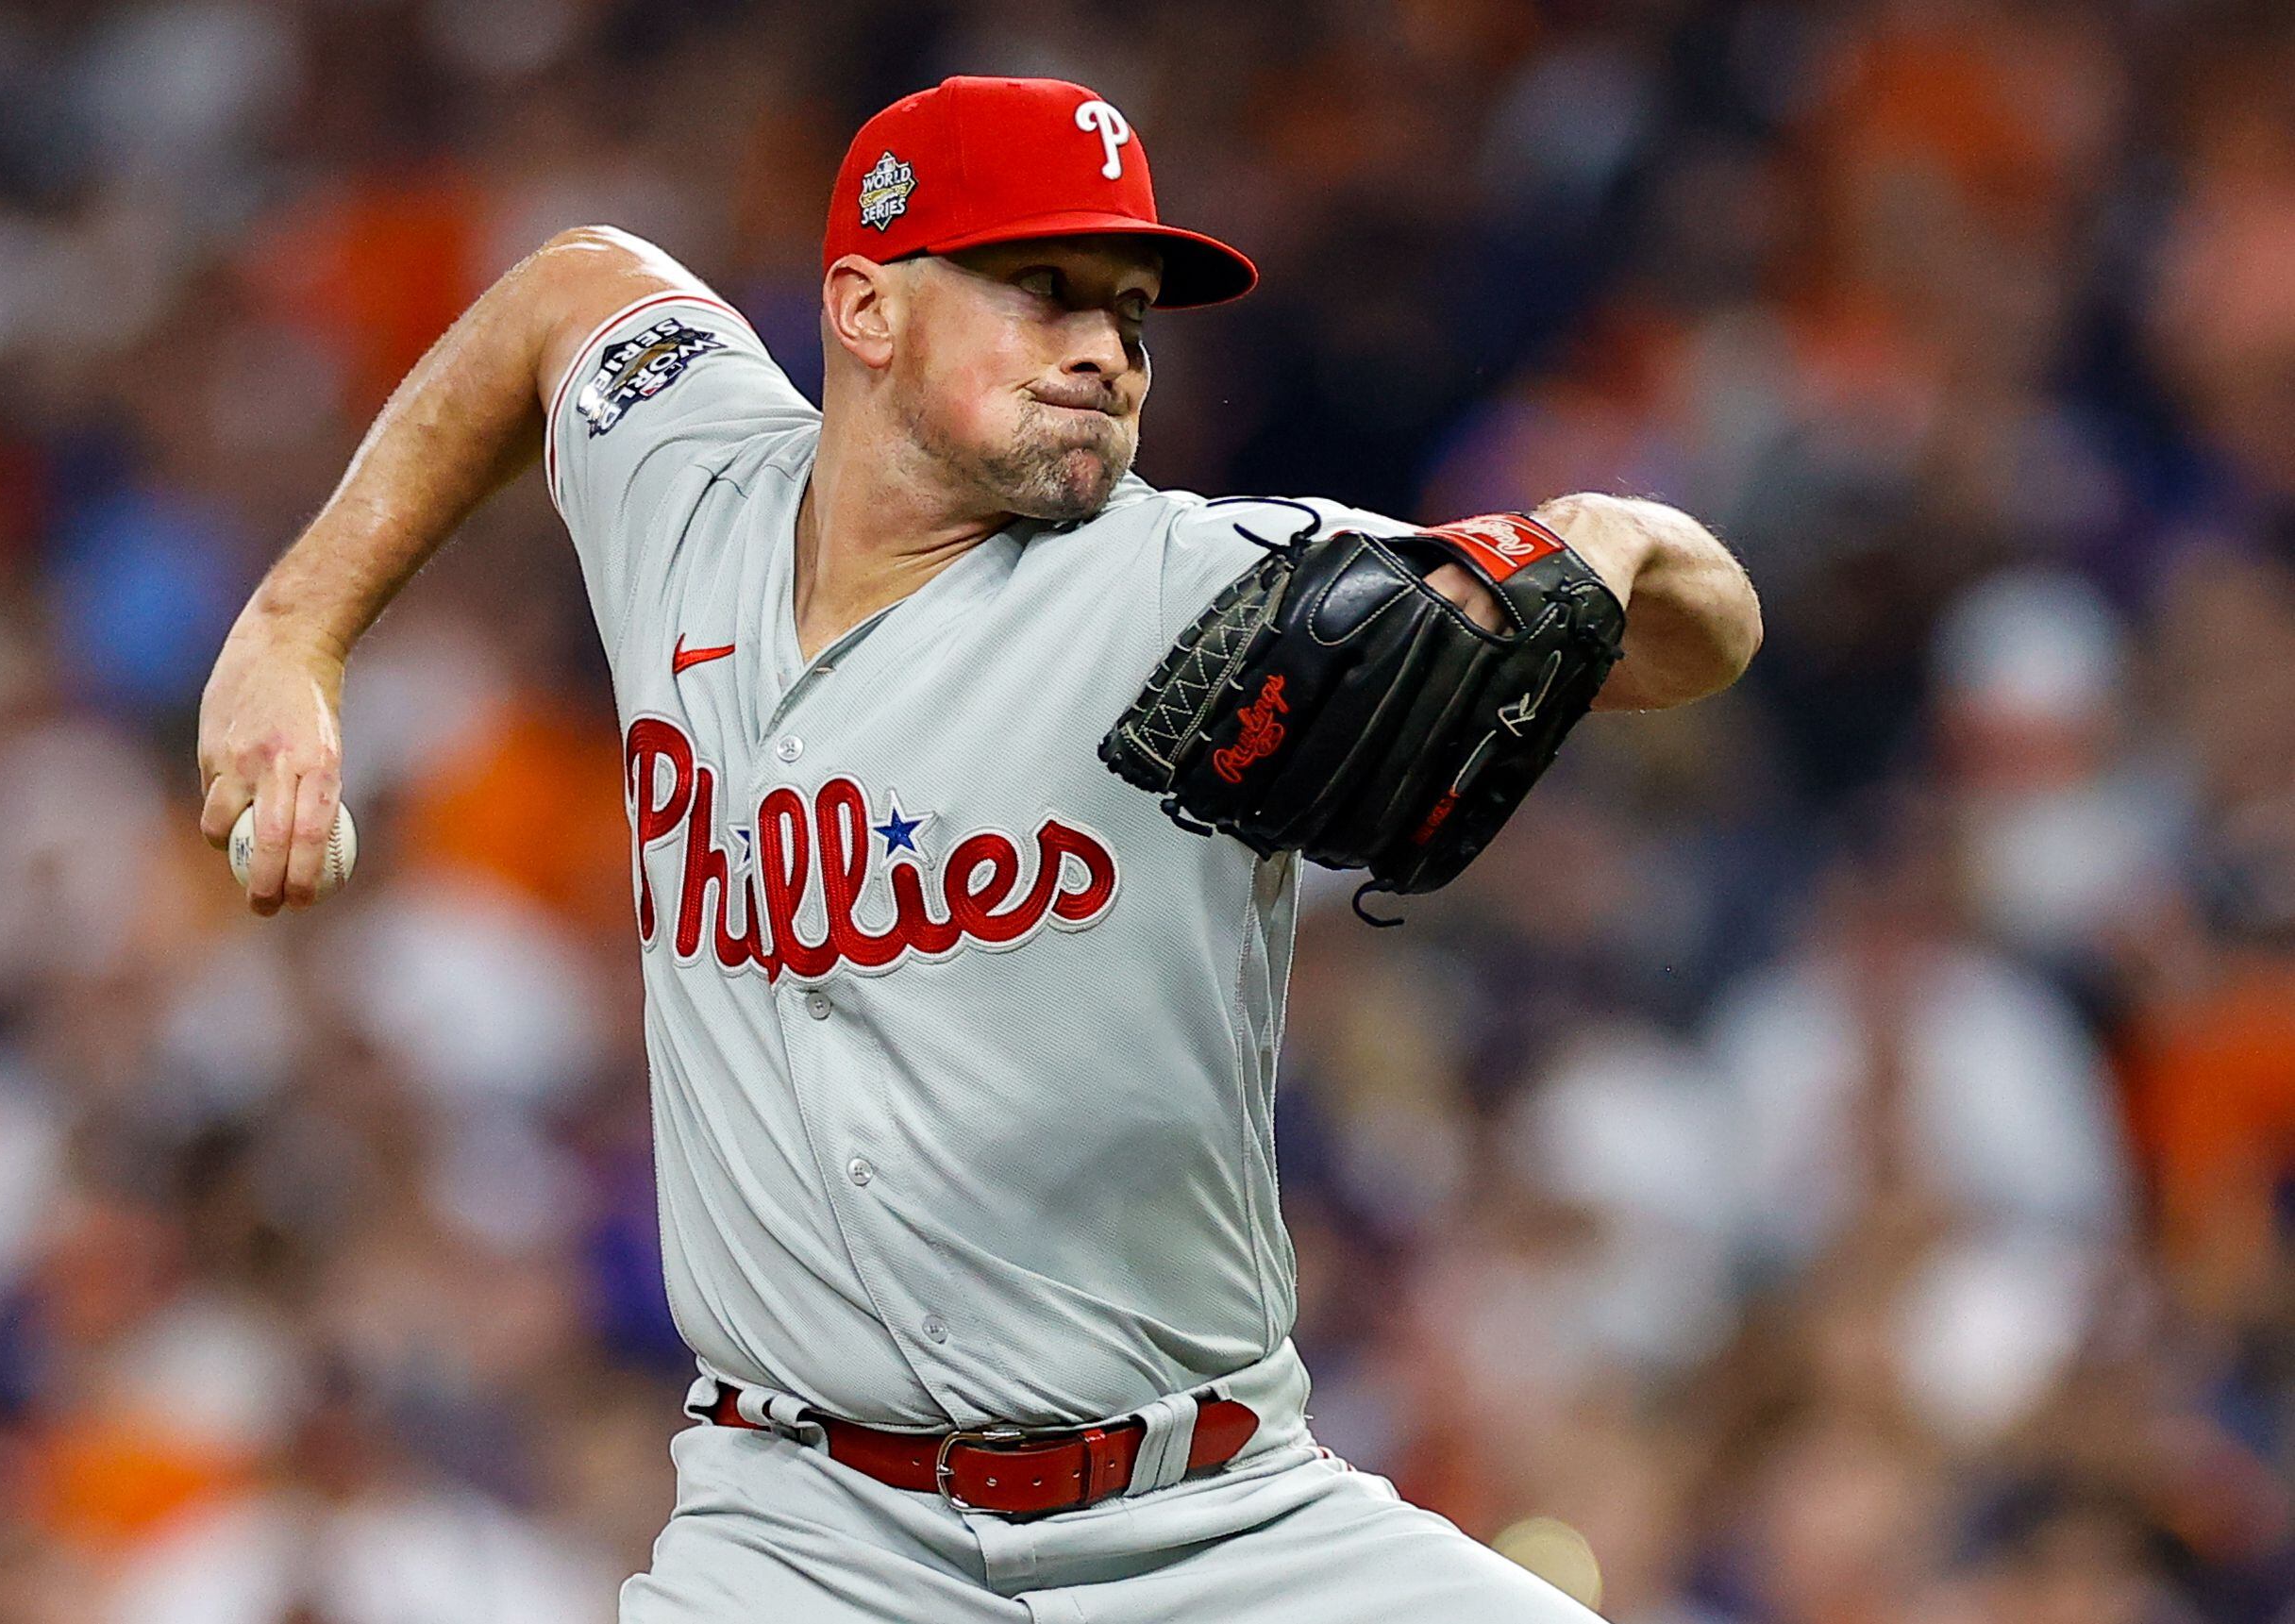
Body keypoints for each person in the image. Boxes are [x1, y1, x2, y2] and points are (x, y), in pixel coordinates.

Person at [196, 75, 1760, 1624]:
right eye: (1042, 290)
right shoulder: (688, 489)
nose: (1103, 349)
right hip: (802, 1536)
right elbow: (566, 294)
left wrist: (1598, 541)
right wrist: (294, 628)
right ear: (865, 307)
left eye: (1130, 312)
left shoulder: (1205, 589)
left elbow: (1708, 631)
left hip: (1208, 1526)